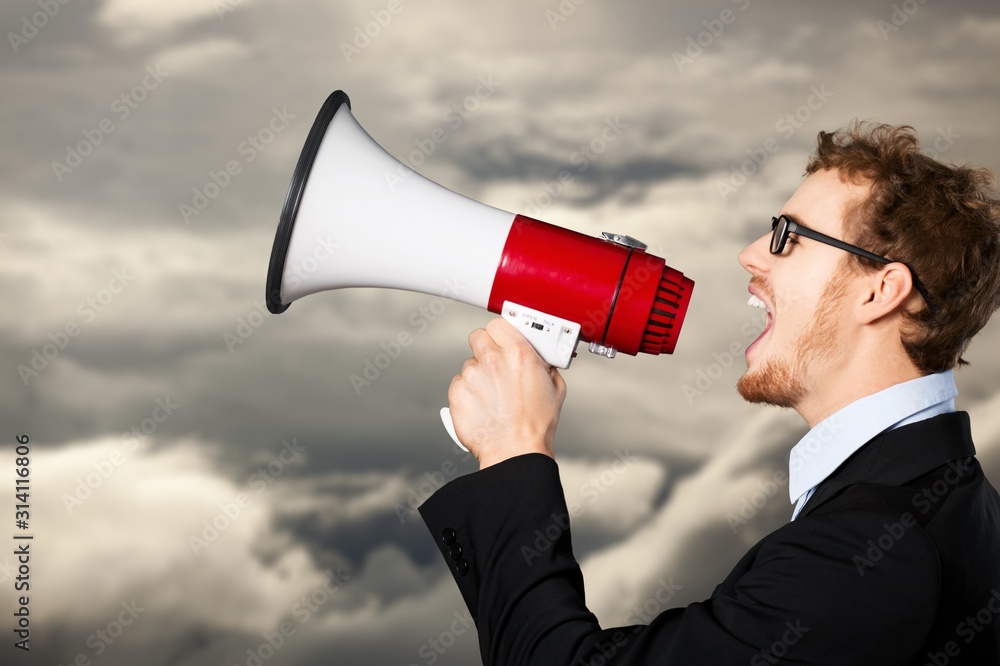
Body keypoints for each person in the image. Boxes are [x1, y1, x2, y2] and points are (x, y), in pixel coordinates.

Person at [418, 122, 1000, 664]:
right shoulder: (955, 501)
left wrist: (515, 451)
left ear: (880, 291)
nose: (751, 253)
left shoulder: (871, 550)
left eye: (788, 237)